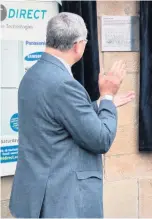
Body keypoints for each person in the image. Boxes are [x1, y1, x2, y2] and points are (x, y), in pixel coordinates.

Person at [9, 12, 135, 218]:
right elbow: (101, 139)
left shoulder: (32, 75)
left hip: (34, 195)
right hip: (60, 200)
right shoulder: (64, 84)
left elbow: (56, 117)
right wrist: (108, 96)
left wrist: (100, 105)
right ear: (78, 45)